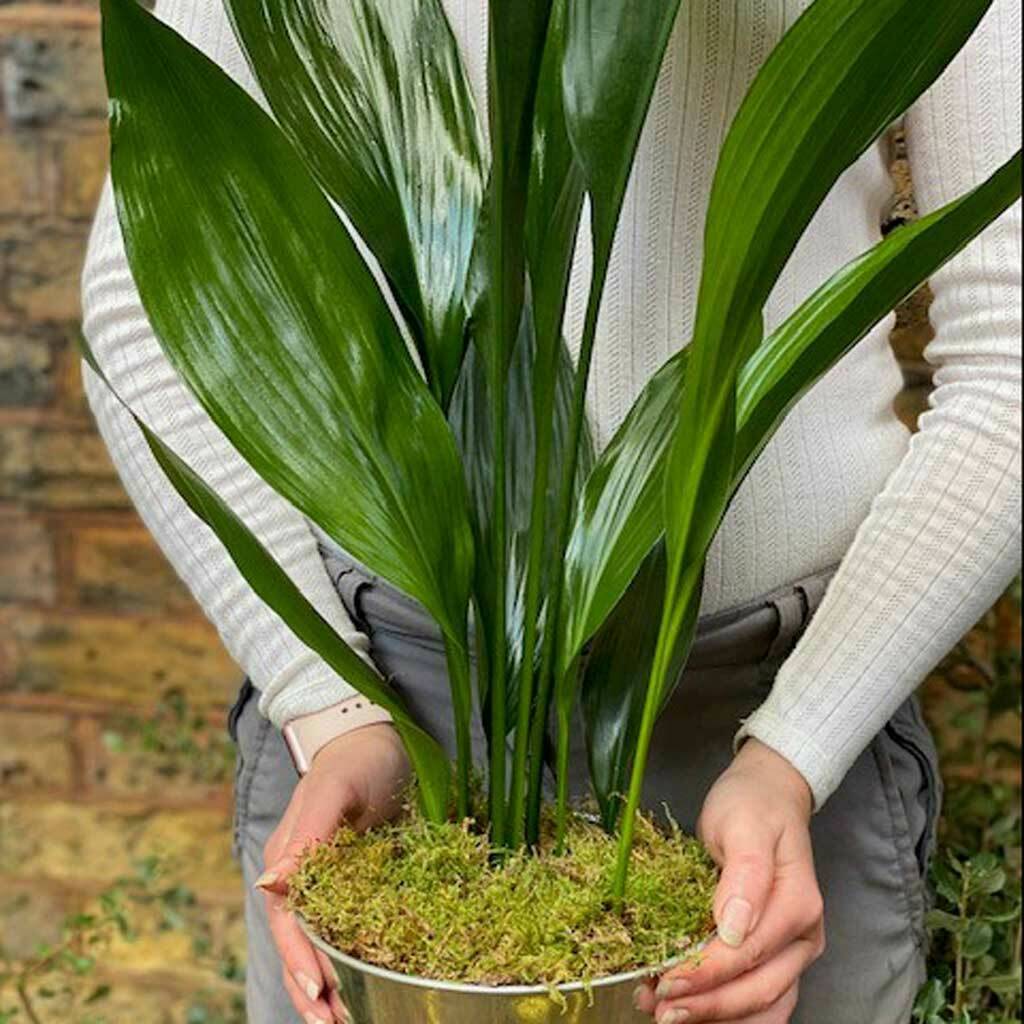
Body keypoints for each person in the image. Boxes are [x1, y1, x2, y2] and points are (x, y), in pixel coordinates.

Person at [81, 2, 1021, 1022]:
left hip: (783, 719)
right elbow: (157, 292)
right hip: (386, 706)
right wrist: (326, 701)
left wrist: (796, 748)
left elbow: (1010, 357)